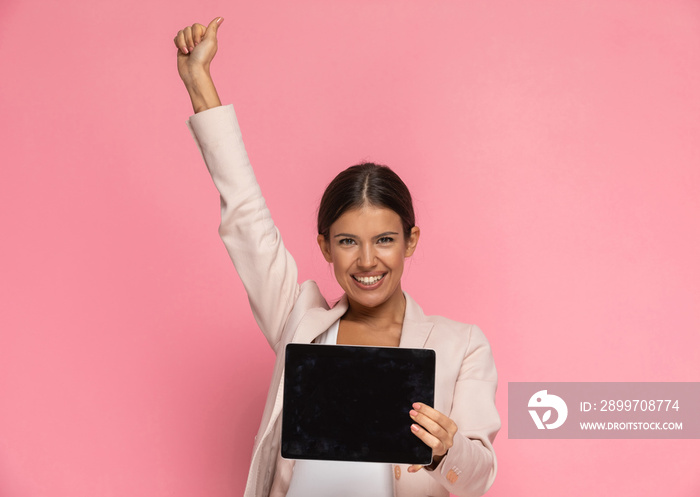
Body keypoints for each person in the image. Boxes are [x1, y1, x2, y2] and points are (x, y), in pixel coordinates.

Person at [173, 17, 500, 497]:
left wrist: (446, 448)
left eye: (384, 240)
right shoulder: (302, 323)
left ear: (410, 242)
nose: (367, 260)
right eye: (348, 241)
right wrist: (199, 82)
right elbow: (246, 219)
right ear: (325, 246)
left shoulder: (461, 345)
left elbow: (477, 478)